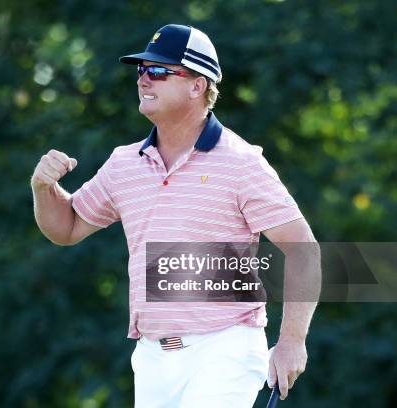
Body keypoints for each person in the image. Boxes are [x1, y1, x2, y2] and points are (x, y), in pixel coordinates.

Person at [31, 24, 321, 407]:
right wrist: (43, 190)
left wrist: (291, 342)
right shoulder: (124, 164)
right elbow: (65, 228)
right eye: (141, 71)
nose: (143, 80)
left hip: (224, 349)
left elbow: (304, 249)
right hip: (151, 358)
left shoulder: (241, 162)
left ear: (197, 86)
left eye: (158, 71)